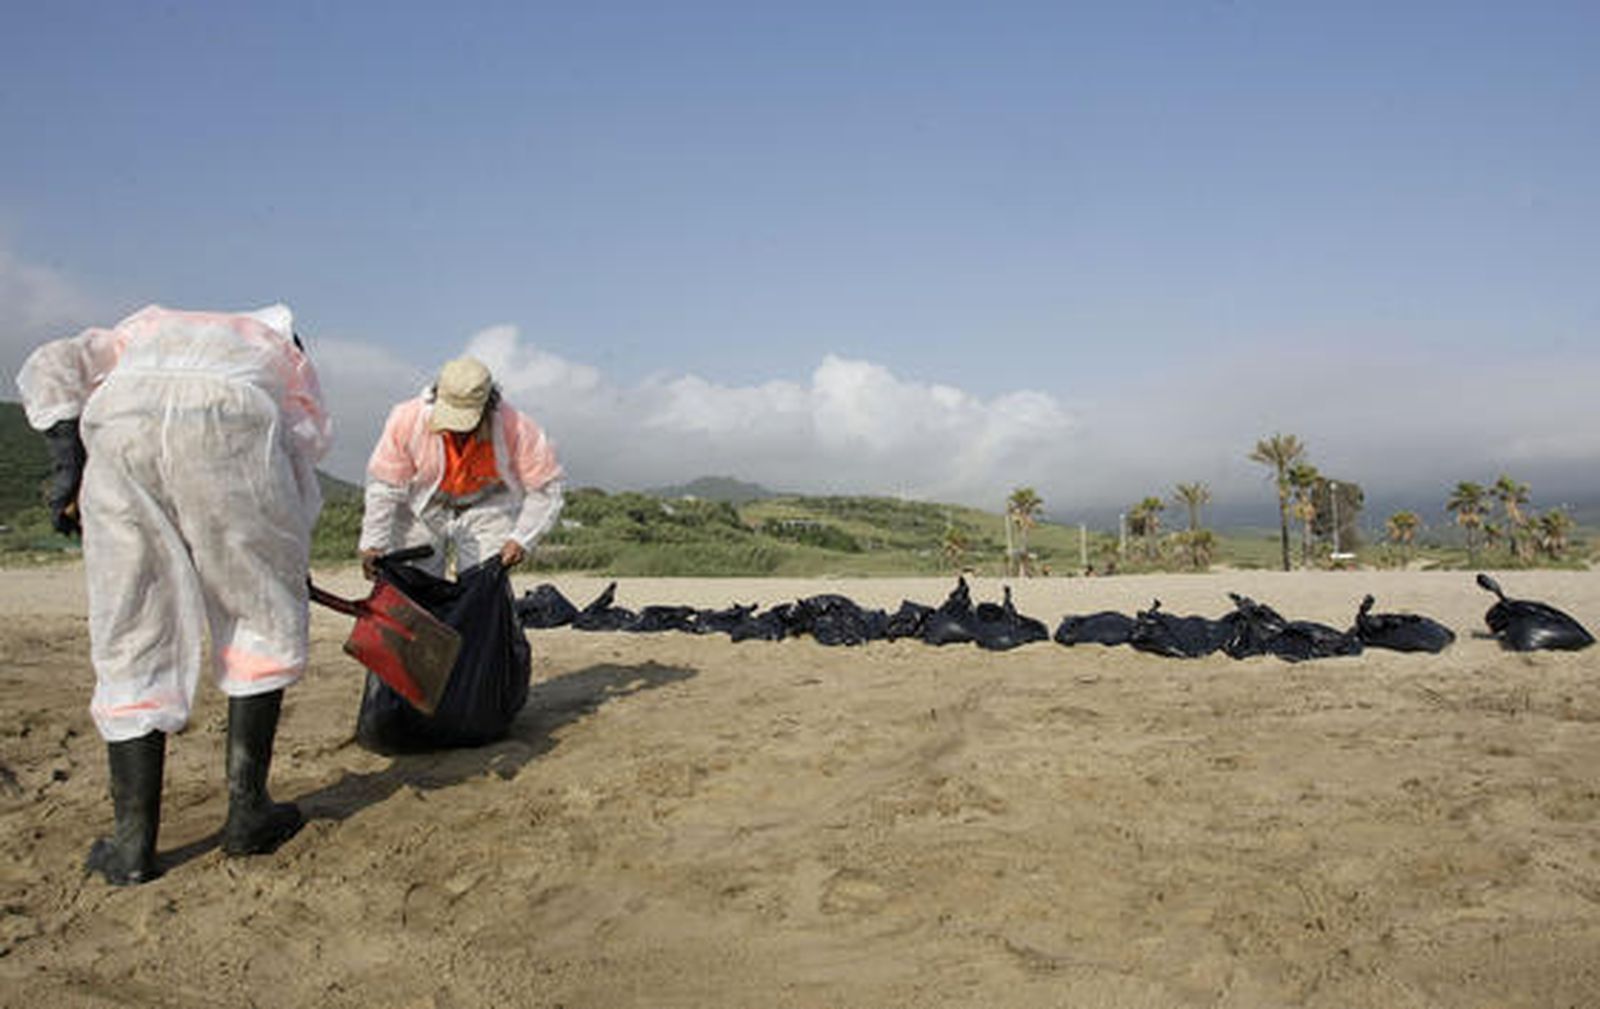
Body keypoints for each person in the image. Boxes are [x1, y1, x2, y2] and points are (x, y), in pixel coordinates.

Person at [16, 303, 332, 885]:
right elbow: (303, 446)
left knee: (132, 622)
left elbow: (51, 365)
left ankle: (132, 846)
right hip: (236, 420)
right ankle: (248, 813)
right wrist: (281, 562)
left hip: (120, 420)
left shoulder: (144, 329)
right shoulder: (281, 353)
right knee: (259, 620)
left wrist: (69, 466)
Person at [358, 356, 563, 580]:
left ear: (488, 406)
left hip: (486, 507)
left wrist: (521, 539)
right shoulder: (406, 419)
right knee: (415, 583)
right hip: (422, 507)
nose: (457, 429)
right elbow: (385, 487)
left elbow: (545, 488)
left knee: (484, 584)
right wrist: (373, 543)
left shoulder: (517, 427)